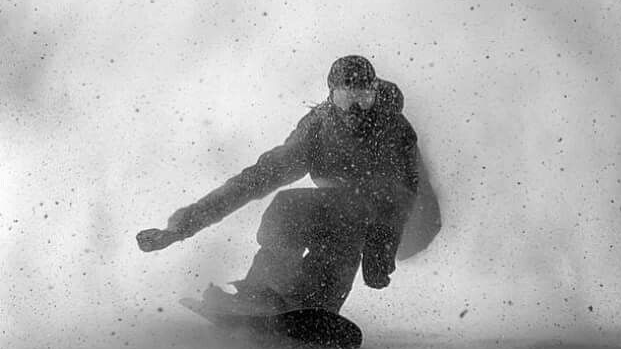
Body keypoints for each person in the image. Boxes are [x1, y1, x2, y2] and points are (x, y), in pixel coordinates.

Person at [141, 55, 439, 314]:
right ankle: (262, 292)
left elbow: (402, 194)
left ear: (375, 95)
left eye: (364, 98)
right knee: (290, 206)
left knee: (346, 220)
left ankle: (317, 303)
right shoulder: (319, 128)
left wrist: (381, 251)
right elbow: (254, 180)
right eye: (347, 99)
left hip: (407, 220)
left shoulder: (392, 129)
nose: (357, 112)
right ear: (331, 98)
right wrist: (180, 228)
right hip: (346, 206)